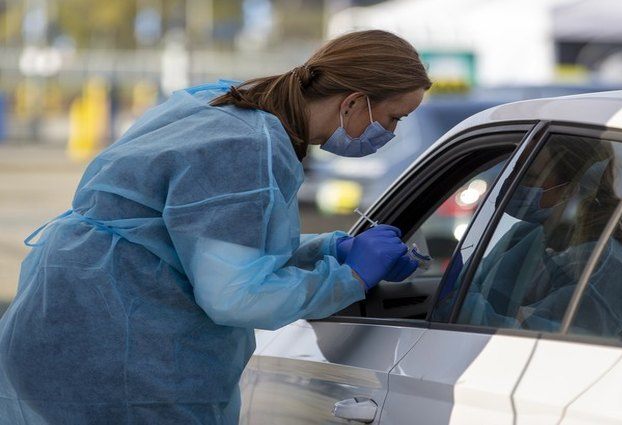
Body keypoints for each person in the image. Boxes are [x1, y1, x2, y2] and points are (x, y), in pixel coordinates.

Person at [0, 30, 431, 424]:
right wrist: (351, 277)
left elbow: (197, 247)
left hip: (78, 326)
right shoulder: (247, 148)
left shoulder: (228, 107)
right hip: (121, 360)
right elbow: (235, 296)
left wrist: (328, 251)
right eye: (394, 117)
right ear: (353, 102)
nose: (389, 133)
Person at [441, 136, 622, 337]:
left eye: (529, 177)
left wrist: (461, 304)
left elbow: (542, 345)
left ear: (570, 189)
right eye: (514, 170)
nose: (514, 182)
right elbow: (478, 285)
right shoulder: (527, 233)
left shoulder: (605, 265)